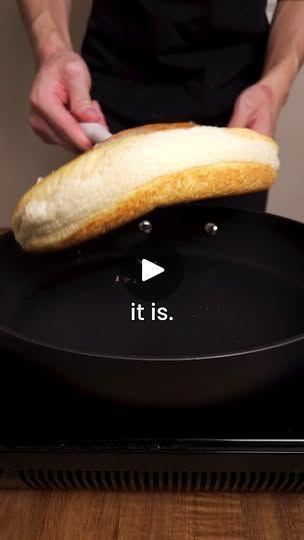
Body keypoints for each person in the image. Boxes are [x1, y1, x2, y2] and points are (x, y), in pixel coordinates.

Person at [18, 0, 304, 211]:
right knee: (117, 281)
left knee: (219, 282)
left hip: (238, 106)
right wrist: (51, 50)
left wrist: (276, 84)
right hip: (113, 91)